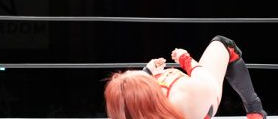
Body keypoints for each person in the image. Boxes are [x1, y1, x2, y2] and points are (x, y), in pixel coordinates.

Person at [104, 35, 267, 119]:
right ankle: (255, 111)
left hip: (181, 101)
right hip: (203, 99)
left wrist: (147, 71)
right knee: (224, 44)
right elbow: (207, 84)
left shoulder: (124, 108)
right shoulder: (182, 94)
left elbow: (128, 94)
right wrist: (186, 60)